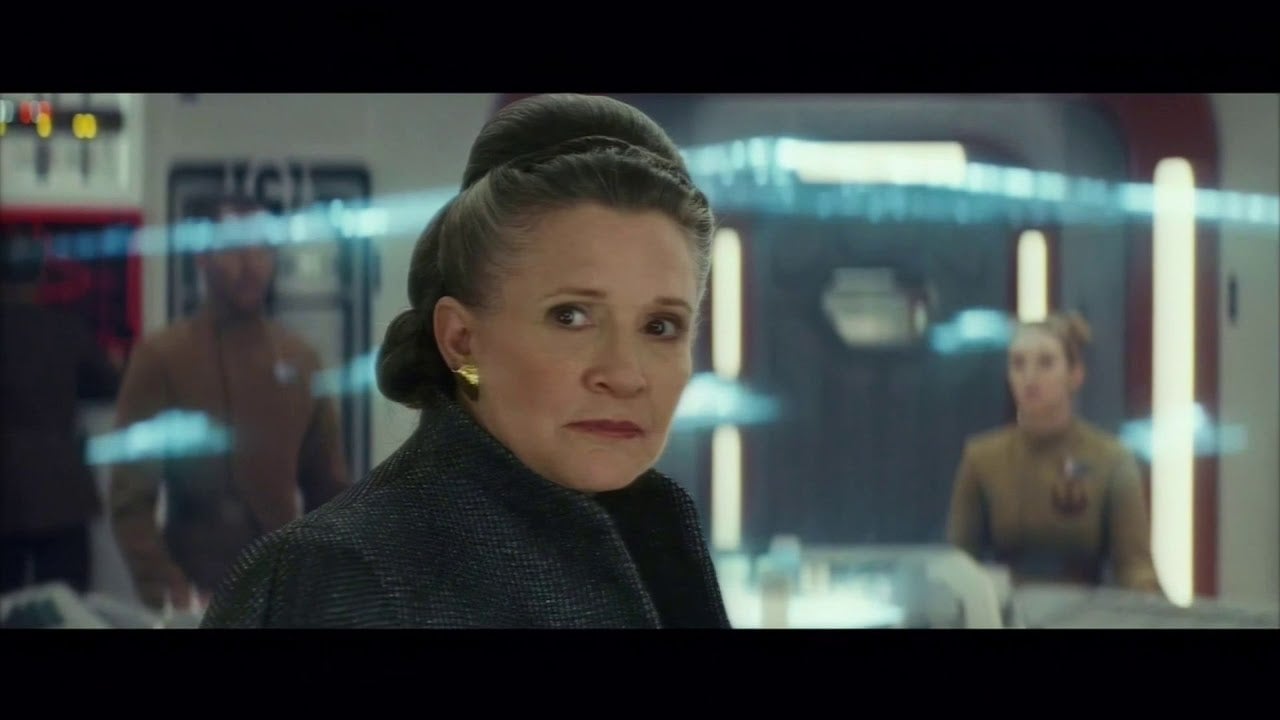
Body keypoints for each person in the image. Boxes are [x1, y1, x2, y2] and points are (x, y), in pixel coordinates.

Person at [200, 94, 731, 628]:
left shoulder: (658, 551)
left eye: (660, 326)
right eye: (571, 316)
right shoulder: (342, 578)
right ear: (461, 340)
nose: (624, 374)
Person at [108, 196, 349, 611]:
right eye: (235, 248)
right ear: (202, 256)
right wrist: (175, 595)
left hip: (284, 596)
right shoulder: (163, 357)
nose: (250, 264)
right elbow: (130, 502)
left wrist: (324, 585)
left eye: (262, 248)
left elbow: (329, 492)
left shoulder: (299, 359)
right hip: (198, 595)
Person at [946, 311, 1162, 593]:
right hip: (1004, 610)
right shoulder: (982, 459)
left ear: (1075, 375)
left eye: (1045, 363)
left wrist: (1151, 601)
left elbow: (1134, 564)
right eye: (1018, 364)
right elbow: (959, 564)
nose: (1029, 377)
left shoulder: (1111, 460)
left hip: (1084, 612)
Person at [1, 235, 121, 594]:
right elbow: (108, 385)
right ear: (40, 276)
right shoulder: (65, 329)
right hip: (60, 493)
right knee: (68, 609)